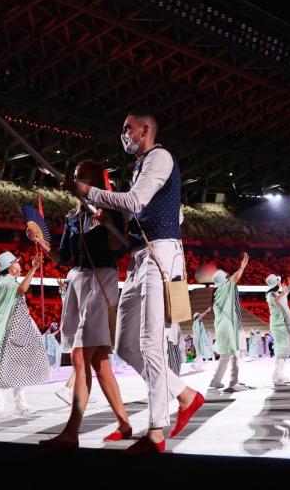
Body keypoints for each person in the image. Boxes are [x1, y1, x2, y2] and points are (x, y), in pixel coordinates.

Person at [69, 111, 204, 453]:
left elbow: (135, 201)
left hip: (160, 253)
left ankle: (155, 432)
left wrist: (90, 190)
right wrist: (107, 218)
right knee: (125, 344)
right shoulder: (140, 166)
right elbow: (135, 215)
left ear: (145, 130)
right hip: (140, 256)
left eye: (128, 128)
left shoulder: (160, 157)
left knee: (149, 343)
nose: (123, 134)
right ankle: (186, 396)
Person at [31, 161, 133, 445]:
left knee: (80, 357)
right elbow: (64, 257)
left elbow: (119, 248)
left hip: (102, 280)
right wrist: (41, 241)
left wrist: (108, 223)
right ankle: (124, 424)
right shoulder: (73, 217)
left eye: (82, 177)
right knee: (100, 362)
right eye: (75, 177)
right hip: (78, 281)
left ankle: (72, 431)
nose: (77, 181)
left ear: (97, 180)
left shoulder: (111, 208)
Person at [0, 251, 50, 418]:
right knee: (4, 368)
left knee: (18, 368)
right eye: (16, 262)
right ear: (9, 267)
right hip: (9, 331)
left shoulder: (10, 280)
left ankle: (20, 405)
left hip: (20, 330)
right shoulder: (5, 282)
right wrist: (34, 269)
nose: (19, 264)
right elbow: (22, 289)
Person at [210, 256, 251, 392]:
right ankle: (234, 382)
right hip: (228, 327)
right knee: (234, 354)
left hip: (222, 328)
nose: (229, 278)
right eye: (226, 278)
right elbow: (235, 278)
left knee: (225, 356)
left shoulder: (217, 292)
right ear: (223, 281)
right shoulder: (224, 289)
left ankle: (216, 380)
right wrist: (242, 266)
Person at [191, 307, 214, 371]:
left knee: (200, 354)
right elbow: (201, 315)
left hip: (197, 339)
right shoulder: (197, 321)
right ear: (197, 317)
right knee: (201, 353)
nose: (201, 316)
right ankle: (195, 365)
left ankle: (197, 366)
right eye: (199, 316)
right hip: (198, 340)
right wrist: (207, 310)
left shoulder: (196, 323)